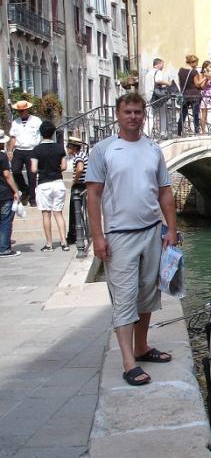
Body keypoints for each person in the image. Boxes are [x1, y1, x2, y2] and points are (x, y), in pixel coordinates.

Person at [86, 92, 178, 387]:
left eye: (138, 112)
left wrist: (171, 229)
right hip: (119, 235)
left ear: (144, 115)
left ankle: (141, 346)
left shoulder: (153, 149)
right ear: (118, 114)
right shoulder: (103, 150)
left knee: (148, 293)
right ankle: (128, 362)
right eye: (128, 112)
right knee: (125, 297)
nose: (133, 117)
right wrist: (98, 236)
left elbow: (164, 191)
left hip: (152, 231)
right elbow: (93, 195)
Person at [31, 121, 68, 252]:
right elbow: (64, 166)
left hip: (44, 183)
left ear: (41, 133)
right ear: (53, 133)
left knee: (46, 214)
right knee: (58, 213)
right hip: (58, 182)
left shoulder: (36, 150)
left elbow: (33, 169)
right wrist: (55, 169)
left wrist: (43, 169)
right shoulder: (60, 148)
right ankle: (64, 242)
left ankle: (49, 244)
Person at [7, 100, 42, 207]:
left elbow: (42, 135)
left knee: (32, 175)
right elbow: (13, 137)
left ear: (27, 110)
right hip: (19, 149)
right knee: (15, 171)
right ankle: (24, 189)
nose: (20, 112)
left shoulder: (36, 121)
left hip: (32, 149)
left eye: (22, 110)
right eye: (19, 111)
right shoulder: (15, 122)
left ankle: (32, 198)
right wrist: (10, 151)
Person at [0, 129, 21, 257]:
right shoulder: (2, 156)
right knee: (6, 220)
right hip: (3, 193)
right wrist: (16, 191)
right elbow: (7, 175)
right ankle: (4, 248)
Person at [65, 137, 88, 246]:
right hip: (83, 185)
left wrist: (74, 181)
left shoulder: (79, 156)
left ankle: (73, 236)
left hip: (79, 186)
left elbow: (80, 168)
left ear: (74, 148)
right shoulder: (83, 155)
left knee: (74, 212)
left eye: (68, 146)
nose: (67, 149)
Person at [177, 54, 206, 136]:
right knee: (195, 114)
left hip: (185, 95)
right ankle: (196, 132)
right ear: (192, 62)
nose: (196, 65)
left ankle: (178, 132)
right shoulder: (194, 72)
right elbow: (197, 84)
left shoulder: (180, 70)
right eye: (196, 63)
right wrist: (205, 78)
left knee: (183, 114)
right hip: (194, 95)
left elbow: (179, 83)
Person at [144, 58, 171, 138]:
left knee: (151, 115)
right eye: (162, 64)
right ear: (158, 64)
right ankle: (163, 133)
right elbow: (158, 80)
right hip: (157, 96)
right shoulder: (158, 72)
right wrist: (167, 83)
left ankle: (147, 133)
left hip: (149, 96)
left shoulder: (148, 73)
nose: (163, 66)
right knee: (163, 113)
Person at [198, 60, 211, 134]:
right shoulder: (201, 75)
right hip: (204, 94)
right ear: (205, 67)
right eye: (210, 66)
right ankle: (203, 131)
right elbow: (202, 86)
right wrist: (206, 78)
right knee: (204, 114)